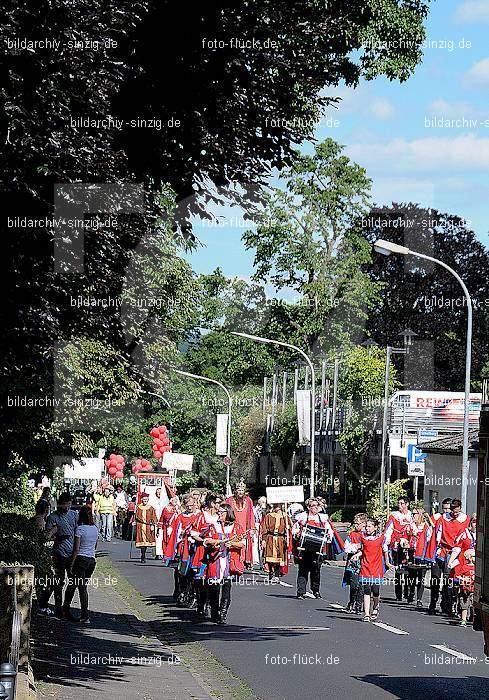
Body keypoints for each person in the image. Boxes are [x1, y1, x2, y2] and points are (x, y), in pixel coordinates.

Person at [202, 502, 244, 624]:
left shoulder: (236, 527)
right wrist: (216, 542)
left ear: (228, 513)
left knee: (226, 589)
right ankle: (215, 613)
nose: (219, 513)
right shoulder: (213, 526)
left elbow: (242, 544)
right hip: (215, 561)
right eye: (218, 512)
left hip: (229, 562)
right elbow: (206, 540)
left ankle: (223, 613)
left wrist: (232, 544)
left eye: (221, 512)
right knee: (214, 588)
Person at [37, 492, 78, 619]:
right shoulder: (53, 517)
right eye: (63, 505)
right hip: (58, 553)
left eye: (68, 505)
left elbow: (78, 533)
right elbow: (47, 536)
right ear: (59, 504)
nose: (66, 508)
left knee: (73, 581)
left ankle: (66, 607)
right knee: (58, 582)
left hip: (72, 554)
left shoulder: (74, 515)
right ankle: (58, 608)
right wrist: (58, 537)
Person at [430, 498, 470, 615]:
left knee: (449, 580)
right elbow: (436, 534)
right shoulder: (443, 518)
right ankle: (433, 602)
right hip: (441, 550)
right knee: (435, 578)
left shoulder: (465, 520)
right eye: (453, 511)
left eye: (457, 511)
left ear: (460, 509)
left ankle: (447, 604)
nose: (455, 513)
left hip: (454, 552)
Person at [351, 517, 392, 623]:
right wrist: (356, 555)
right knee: (366, 590)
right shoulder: (363, 538)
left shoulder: (381, 538)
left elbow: (385, 550)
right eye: (366, 526)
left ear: (375, 527)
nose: (367, 528)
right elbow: (362, 550)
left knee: (376, 591)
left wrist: (387, 563)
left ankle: (376, 606)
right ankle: (367, 614)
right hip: (365, 567)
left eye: (369, 526)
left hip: (376, 567)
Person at [292, 497, 335, 599]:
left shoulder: (323, 519)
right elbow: (295, 530)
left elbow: (329, 531)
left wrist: (329, 536)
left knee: (316, 570)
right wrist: (297, 534)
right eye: (313, 506)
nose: (316, 508)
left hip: (317, 549)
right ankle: (301, 591)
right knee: (303, 570)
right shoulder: (302, 518)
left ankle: (315, 590)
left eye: (317, 505)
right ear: (308, 507)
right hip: (305, 549)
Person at [63, 505, 99, 623]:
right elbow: (95, 546)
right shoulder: (95, 528)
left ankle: (83, 615)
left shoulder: (80, 529)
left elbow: (76, 549)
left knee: (79, 587)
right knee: (78, 585)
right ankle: (68, 609)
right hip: (91, 560)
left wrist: (72, 564)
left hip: (81, 560)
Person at [384, 497, 413, 602]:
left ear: (407, 504)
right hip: (397, 547)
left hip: (409, 548)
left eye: (402, 503)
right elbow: (388, 531)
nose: (400, 505)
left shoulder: (411, 516)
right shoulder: (394, 516)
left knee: (409, 570)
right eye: (399, 503)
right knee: (398, 571)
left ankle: (408, 593)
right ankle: (399, 594)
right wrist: (387, 544)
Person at [405, 508, 432, 608]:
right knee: (412, 575)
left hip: (422, 554)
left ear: (420, 515)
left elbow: (429, 540)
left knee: (421, 577)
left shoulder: (426, 526)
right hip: (412, 552)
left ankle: (419, 599)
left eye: (415, 514)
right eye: (412, 514)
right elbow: (405, 538)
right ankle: (411, 592)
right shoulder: (410, 526)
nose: (413, 516)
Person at [226, 479, 256, 568]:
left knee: (243, 544)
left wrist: (252, 527)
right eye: (239, 490)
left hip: (244, 527)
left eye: (242, 490)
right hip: (233, 526)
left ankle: (242, 562)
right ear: (235, 491)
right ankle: (232, 563)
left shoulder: (248, 500)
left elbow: (251, 514)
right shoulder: (229, 500)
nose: (240, 492)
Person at [260, 503, 292, 583]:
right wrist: (263, 539)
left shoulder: (285, 516)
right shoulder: (269, 515)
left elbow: (289, 528)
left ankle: (277, 575)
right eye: (276, 505)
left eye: (279, 505)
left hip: (280, 539)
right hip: (270, 538)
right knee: (270, 557)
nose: (277, 507)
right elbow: (264, 528)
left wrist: (288, 529)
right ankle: (271, 573)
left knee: (279, 558)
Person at [343, 513, 367, 613]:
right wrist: (356, 547)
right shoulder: (352, 534)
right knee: (354, 584)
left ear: (364, 524)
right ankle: (351, 601)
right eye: (355, 523)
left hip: (364, 562)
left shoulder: (367, 535)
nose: (356, 526)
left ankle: (358, 605)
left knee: (362, 584)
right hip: (353, 563)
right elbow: (346, 548)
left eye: (358, 524)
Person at [450, 548, 475, 626]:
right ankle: (463, 620)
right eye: (474, 556)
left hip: (474, 589)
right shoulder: (465, 567)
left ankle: (474, 619)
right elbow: (458, 575)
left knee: (474, 605)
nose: (475, 558)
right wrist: (463, 579)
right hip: (465, 589)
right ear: (470, 557)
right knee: (464, 604)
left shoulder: (477, 567)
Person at [134, 492, 157, 562]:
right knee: (141, 541)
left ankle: (144, 554)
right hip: (140, 526)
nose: (145, 501)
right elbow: (135, 516)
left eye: (146, 500)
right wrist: (134, 522)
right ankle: (143, 555)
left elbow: (154, 517)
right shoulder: (138, 507)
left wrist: (153, 525)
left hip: (148, 526)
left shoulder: (151, 508)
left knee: (146, 541)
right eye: (144, 500)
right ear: (142, 500)